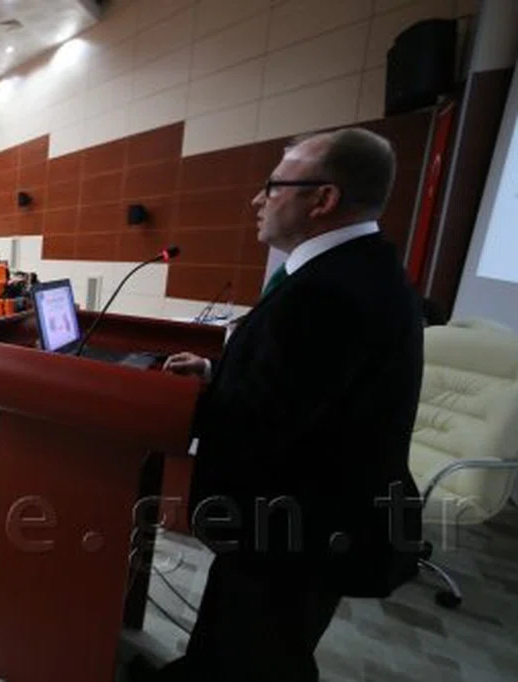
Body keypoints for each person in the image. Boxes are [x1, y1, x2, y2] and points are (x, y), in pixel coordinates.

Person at [140, 129, 425, 682]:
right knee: (231, 623)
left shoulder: (331, 291)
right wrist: (215, 374)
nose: (257, 199)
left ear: (323, 199)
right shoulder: (354, 267)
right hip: (292, 515)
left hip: (298, 526)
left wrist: (159, 402)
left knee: (263, 653)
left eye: (273, 186)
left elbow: (265, 422)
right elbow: (300, 387)